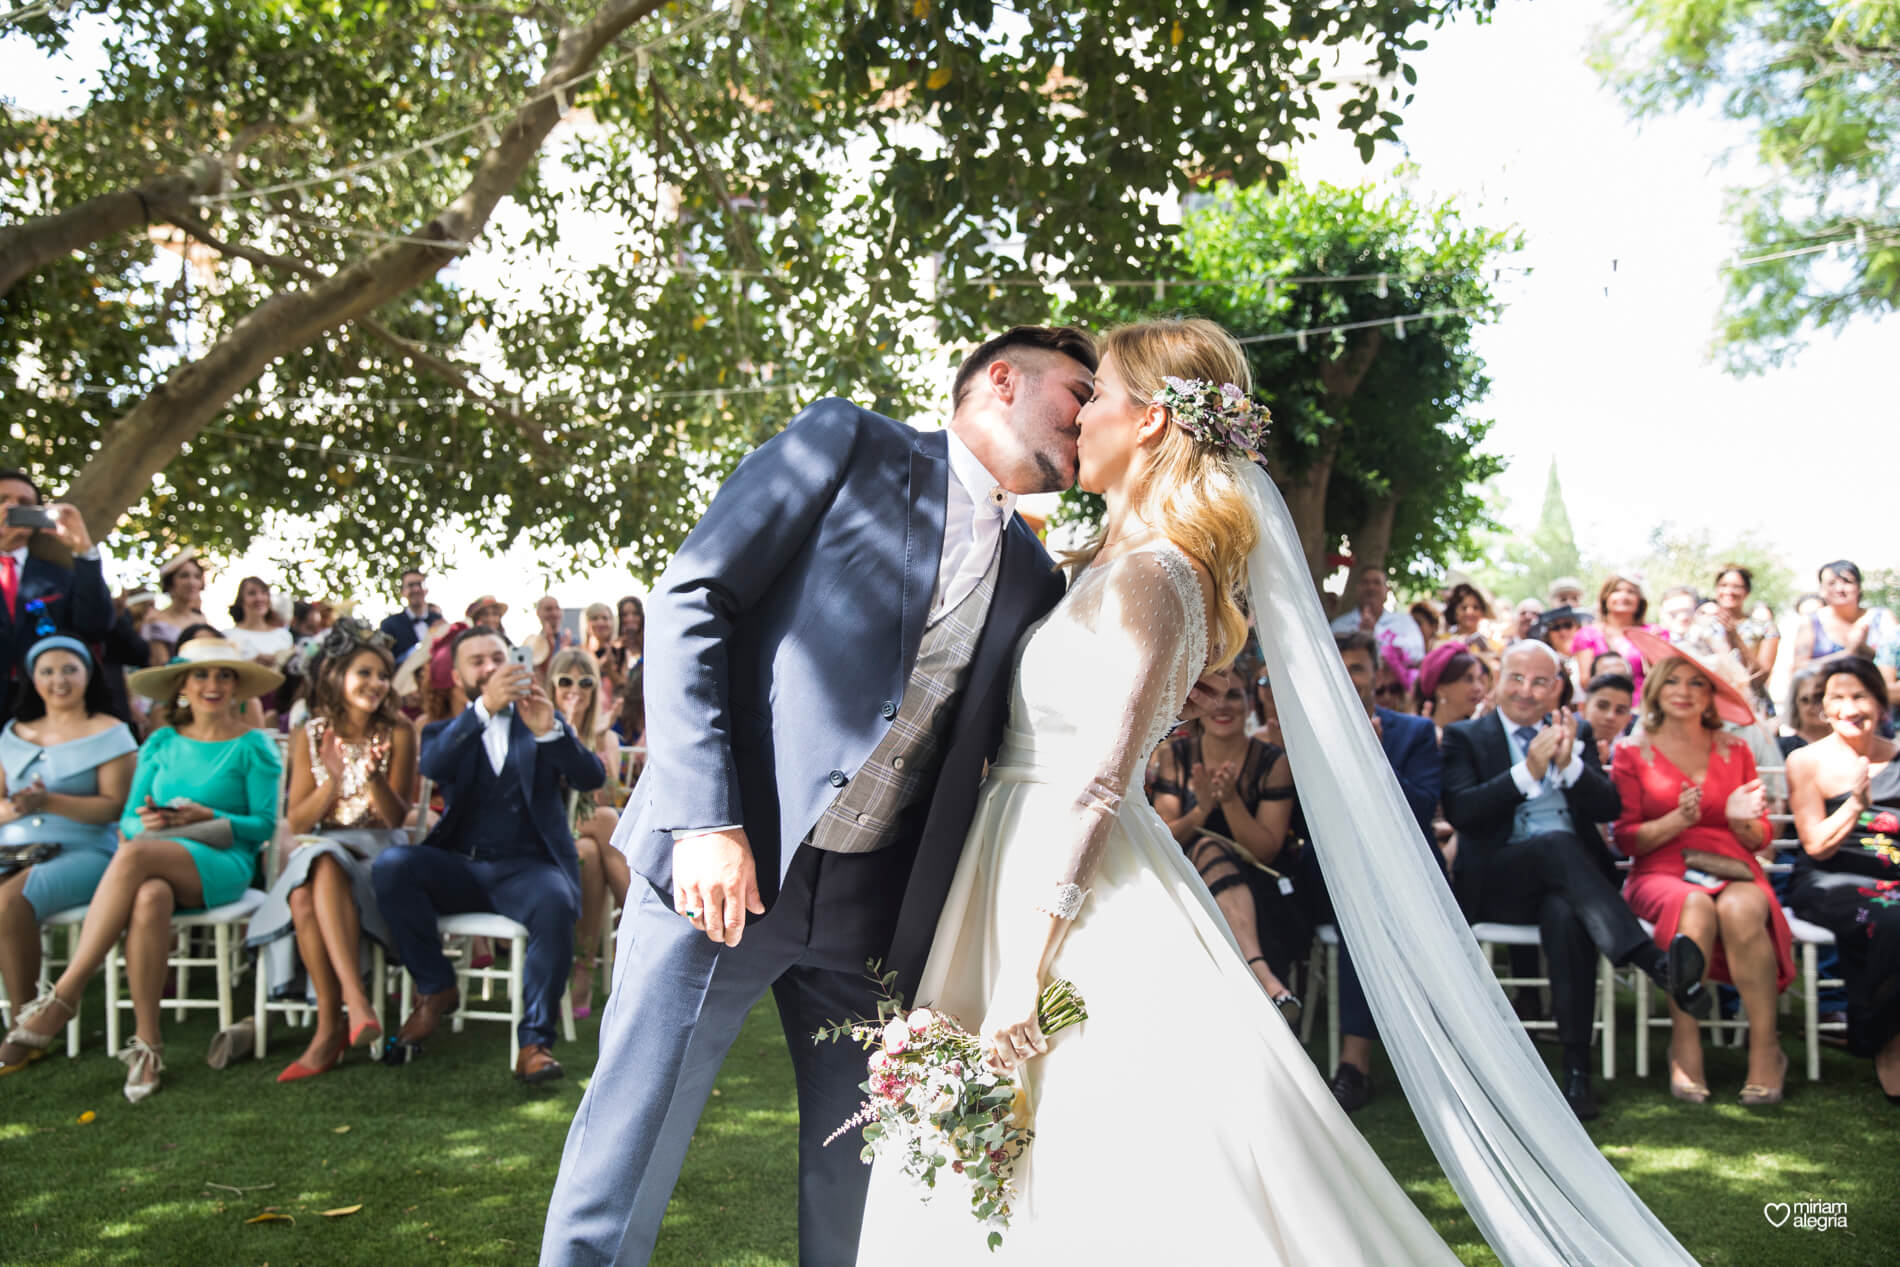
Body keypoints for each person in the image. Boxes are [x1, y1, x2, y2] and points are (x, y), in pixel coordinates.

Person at [841, 321, 1701, 1264]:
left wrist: (1021, 972)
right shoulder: (1103, 565)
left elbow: (1096, 781)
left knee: (1124, 1144)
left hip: (1073, 885)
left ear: (1154, 419)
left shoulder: (1156, 578)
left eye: (1100, 396)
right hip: (1011, 853)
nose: (1079, 416)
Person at [541, 324, 1093, 1264]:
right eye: (1080, 392)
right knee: (631, 1137)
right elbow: (691, 596)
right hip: (730, 866)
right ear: (1003, 379)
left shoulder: (1039, 577)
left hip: (874, 915)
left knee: (863, 1170)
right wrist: (707, 818)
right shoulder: (848, 443)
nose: (1093, 417)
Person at [0, 636, 282, 1099]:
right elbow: (129, 817)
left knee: (132, 855)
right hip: (157, 855)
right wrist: (153, 818)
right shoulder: (161, 742)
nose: (212, 684)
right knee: (149, 895)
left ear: (237, 687)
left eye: (224, 675)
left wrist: (209, 817)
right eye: (201, 675)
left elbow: (264, 825)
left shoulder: (254, 746)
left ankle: (64, 994)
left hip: (223, 863)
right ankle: (148, 1046)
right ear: (182, 686)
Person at [1442, 639, 1712, 1122]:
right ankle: (1655, 963)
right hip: (1499, 883)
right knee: (1554, 845)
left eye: (1540, 681)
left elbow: (1609, 808)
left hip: (1572, 891)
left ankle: (1575, 1073)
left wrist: (1568, 765)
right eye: (1516, 678)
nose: (1526, 691)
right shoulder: (1467, 737)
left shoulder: (1577, 731)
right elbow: (1464, 812)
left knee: (1566, 914)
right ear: (1498, 680)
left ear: (1558, 688)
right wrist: (1529, 771)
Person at [372, 625, 604, 1084]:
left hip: (529, 869)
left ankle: (534, 1043)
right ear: (458, 678)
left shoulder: (540, 720)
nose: (490, 668)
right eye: (476, 662)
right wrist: (483, 710)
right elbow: (433, 767)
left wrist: (551, 731)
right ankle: (437, 988)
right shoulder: (446, 730)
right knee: (392, 866)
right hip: (461, 865)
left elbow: (590, 777)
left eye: (498, 658)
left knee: (555, 900)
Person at [1611, 633, 1793, 1105]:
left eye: (1697, 683)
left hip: (1732, 863)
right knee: (1691, 904)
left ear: (1711, 695)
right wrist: (1678, 819)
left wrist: (1739, 822)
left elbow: (1762, 836)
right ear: (1655, 689)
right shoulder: (1632, 752)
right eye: (1672, 680)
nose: (1684, 690)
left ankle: (1765, 1049)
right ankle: (1685, 1042)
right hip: (1659, 870)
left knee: (1740, 910)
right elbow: (1626, 839)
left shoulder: (1736, 750)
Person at [248, 622, 417, 1082]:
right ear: (338, 676)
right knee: (316, 868)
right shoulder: (309, 732)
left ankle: (330, 1028)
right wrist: (335, 783)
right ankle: (353, 1004)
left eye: (383, 675)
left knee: (309, 884)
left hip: (378, 856)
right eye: (365, 673)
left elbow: (397, 818)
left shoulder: (400, 730)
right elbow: (299, 822)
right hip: (323, 847)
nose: (377, 684)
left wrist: (371, 775)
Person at [1301, 630, 1443, 1112]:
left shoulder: (1413, 733)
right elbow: (1302, 822)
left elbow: (1422, 812)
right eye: (1338, 666)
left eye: (1357, 667)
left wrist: (1376, 762)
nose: (1348, 676)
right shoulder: (1304, 732)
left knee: (1371, 904)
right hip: (1325, 876)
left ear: (1376, 674)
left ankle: (1354, 1063)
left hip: (1403, 882)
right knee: (1360, 897)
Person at [0, 637, 138, 1049]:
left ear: (87, 675)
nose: (58, 680)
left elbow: (114, 809)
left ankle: (25, 1025)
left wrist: (50, 801)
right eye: (47, 671)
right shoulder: (13, 734)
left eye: (68, 670)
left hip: (86, 851)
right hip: (14, 846)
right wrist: (19, 808)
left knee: (7, 905)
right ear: (32, 679)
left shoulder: (111, 732)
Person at [1148, 666, 1302, 1020]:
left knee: (1210, 850)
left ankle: (1256, 975)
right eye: (1214, 694)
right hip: (1187, 886)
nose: (1223, 704)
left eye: (1234, 695)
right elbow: (1164, 838)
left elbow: (1267, 849)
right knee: (1204, 850)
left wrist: (1230, 801)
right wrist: (1202, 809)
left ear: (1249, 705)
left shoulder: (1272, 762)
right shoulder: (1175, 757)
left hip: (1259, 889)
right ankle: (1263, 978)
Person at [1784, 657, 1900, 1101]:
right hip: (1829, 880)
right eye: (1838, 697)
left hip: (1893, 883)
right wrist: (1854, 803)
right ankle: (1884, 1042)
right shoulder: (1806, 761)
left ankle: (1867, 1027)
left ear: (1879, 703)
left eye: (1860, 696)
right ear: (1823, 708)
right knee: (1891, 918)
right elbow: (1816, 846)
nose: (1849, 707)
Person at [547, 647, 629, 1019]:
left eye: (585, 682)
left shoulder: (604, 737)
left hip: (580, 840)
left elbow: (605, 795)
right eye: (565, 681)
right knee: (609, 820)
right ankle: (641, 917)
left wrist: (595, 744)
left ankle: (584, 969)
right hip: (543, 835)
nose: (574, 689)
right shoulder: (538, 726)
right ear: (551, 685)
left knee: (590, 854)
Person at [0, 471, 113, 722]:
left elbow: (95, 626)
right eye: (3, 499)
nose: (12, 508)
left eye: (24, 504)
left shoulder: (59, 577)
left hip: (43, 709)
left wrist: (83, 548)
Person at [1791, 560, 1897, 693]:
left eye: (1847, 581)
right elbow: (1799, 668)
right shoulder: (1811, 622)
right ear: (1822, 590)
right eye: (1831, 583)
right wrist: (1847, 654)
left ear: (1859, 587)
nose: (1839, 589)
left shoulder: (1882, 617)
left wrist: (1864, 650)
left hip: (1878, 698)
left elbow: (1895, 661)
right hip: (1825, 699)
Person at [1696, 564, 1778, 717]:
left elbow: (1761, 677)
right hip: (1714, 709)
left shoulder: (1765, 629)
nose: (1729, 591)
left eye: (1737, 586)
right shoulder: (1701, 629)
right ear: (1716, 589)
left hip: (1754, 709)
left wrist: (1734, 637)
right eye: (1724, 585)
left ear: (1746, 592)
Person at [1573, 574, 1659, 698]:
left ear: (1640, 600)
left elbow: (1662, 674)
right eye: (1616, 591)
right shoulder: (1588, 634)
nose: (1623, 596)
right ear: (1605, 597)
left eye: (1631, 592)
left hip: (1646, 704)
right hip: (1605, 704)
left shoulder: (1652, 633)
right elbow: (1586, 681)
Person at [1328, 565, 1425, 668]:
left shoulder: (1404, 622)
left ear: (1387, 589)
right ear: (1357, 588)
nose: (1371, 587)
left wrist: (1376, 633)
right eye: (1365, 583)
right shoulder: (1339, 625)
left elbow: (1417, 655)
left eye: (1376, 583)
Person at [144, 549, 211, 662]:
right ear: (170, 583)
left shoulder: (201, 620)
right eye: (184, 576)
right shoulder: (155, 620)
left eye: (197, 576)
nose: (192, 582)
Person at [1416, 642, 1487, 734]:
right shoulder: (1417, 735)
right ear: (1441, 689)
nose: (1479, 688)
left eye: (1479, 679)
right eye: (1468, 679)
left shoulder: (1481, 735)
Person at [225, 576, 294, 666]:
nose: (259, 598)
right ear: (241, 600)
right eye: (252, 593)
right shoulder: (227, 636)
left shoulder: (283, 635)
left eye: (264, 593)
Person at [379, 568, 444, 662]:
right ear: (403, 592)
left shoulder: (439, 621)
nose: (416, 589)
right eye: (410, 585)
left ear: (426, 590)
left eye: (420, 584)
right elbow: (386, 661)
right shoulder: (390, 624)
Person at [1579, 673, 1636, 766]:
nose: (1610, 716)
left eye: (1620, 711)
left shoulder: (1635, 754)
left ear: (1629, 719)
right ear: (1583, 708)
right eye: (1602, 706)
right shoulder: (1568, 746)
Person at [1780, 666, 1832, 756]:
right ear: (1795, 704)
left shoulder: (1851, 744)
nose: (1813, 705)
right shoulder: (1782, 748)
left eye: (1820, 696)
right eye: (1805, 699)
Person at [526, 595, 573, 681]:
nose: (554, 613)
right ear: (538, 613)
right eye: (549, 609)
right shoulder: (531, 645)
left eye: (557, 609)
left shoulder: (573, 642)